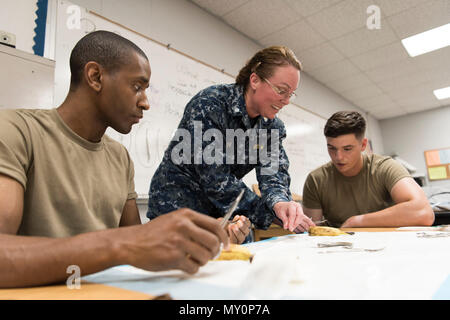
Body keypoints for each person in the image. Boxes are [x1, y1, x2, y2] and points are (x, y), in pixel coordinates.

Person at [0, 30, 229, 288]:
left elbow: (138, 245)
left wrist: (197, 238)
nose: (145, 103)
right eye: (137, 87)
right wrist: (122, 244)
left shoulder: (120, 158)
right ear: (95, 77)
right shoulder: (15, 132)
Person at [147, 46, 315, 236]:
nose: (286, 101)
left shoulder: (271, 128)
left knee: (244, 252)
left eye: (290, 94)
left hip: (221, 213)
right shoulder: (210, 104)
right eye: (281, 90)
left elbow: (273, 175)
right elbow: (214, 179)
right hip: (176, 207)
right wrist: (270, 214)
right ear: (255, 80)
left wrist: (280, 203)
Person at [301, 111, 434, 228]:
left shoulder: (385, 167)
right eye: (332, 148)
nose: (338, 157)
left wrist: (356, 221)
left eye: (347, 149)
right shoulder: (316, 179)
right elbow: (311, 230)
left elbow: (424, 212)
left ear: (363, 144)